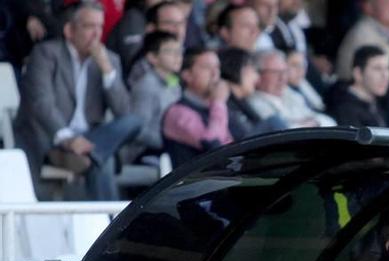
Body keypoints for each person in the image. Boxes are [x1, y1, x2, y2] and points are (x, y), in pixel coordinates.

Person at [13, 0, 141, 201]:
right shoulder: (46, 53)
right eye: (89, 26)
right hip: (53, 140)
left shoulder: (109, 60)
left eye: (100, 26)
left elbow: (124, 113)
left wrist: (107, 71)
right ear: (69, 30)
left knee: (134, 122)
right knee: (102, 160)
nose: (96, 34)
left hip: (88, 139)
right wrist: (67, 138)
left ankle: (94, 151)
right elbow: (41, 103)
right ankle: (111, 226)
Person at [162, 47, 233, 167]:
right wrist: (219, 103)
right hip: (196, 183)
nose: (215, 74)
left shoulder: (212, 107)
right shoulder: (177, 112)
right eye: (207, 68)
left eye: (217, 68)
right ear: (187, 75)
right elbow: (213, 145)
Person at [124, 30, 183, 163]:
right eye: (169, 51)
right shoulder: (146, 86)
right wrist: (170, 141)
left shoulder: (174, 83)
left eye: (179, 51)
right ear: (152, 57)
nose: (177, 56)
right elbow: (138, 130)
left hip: (168, 148)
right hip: (144, 153)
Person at [218, 47, 286, 139]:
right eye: (252, 69)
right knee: (274, 121)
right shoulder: (224, 103)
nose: (257, 76)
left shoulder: (242, 102)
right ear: (238, 68)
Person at [327, 45, 389, 127]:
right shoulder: (345, 109)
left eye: (388, 68)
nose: (385, 75)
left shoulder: (379, 104)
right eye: (377, 68)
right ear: (358, 74)